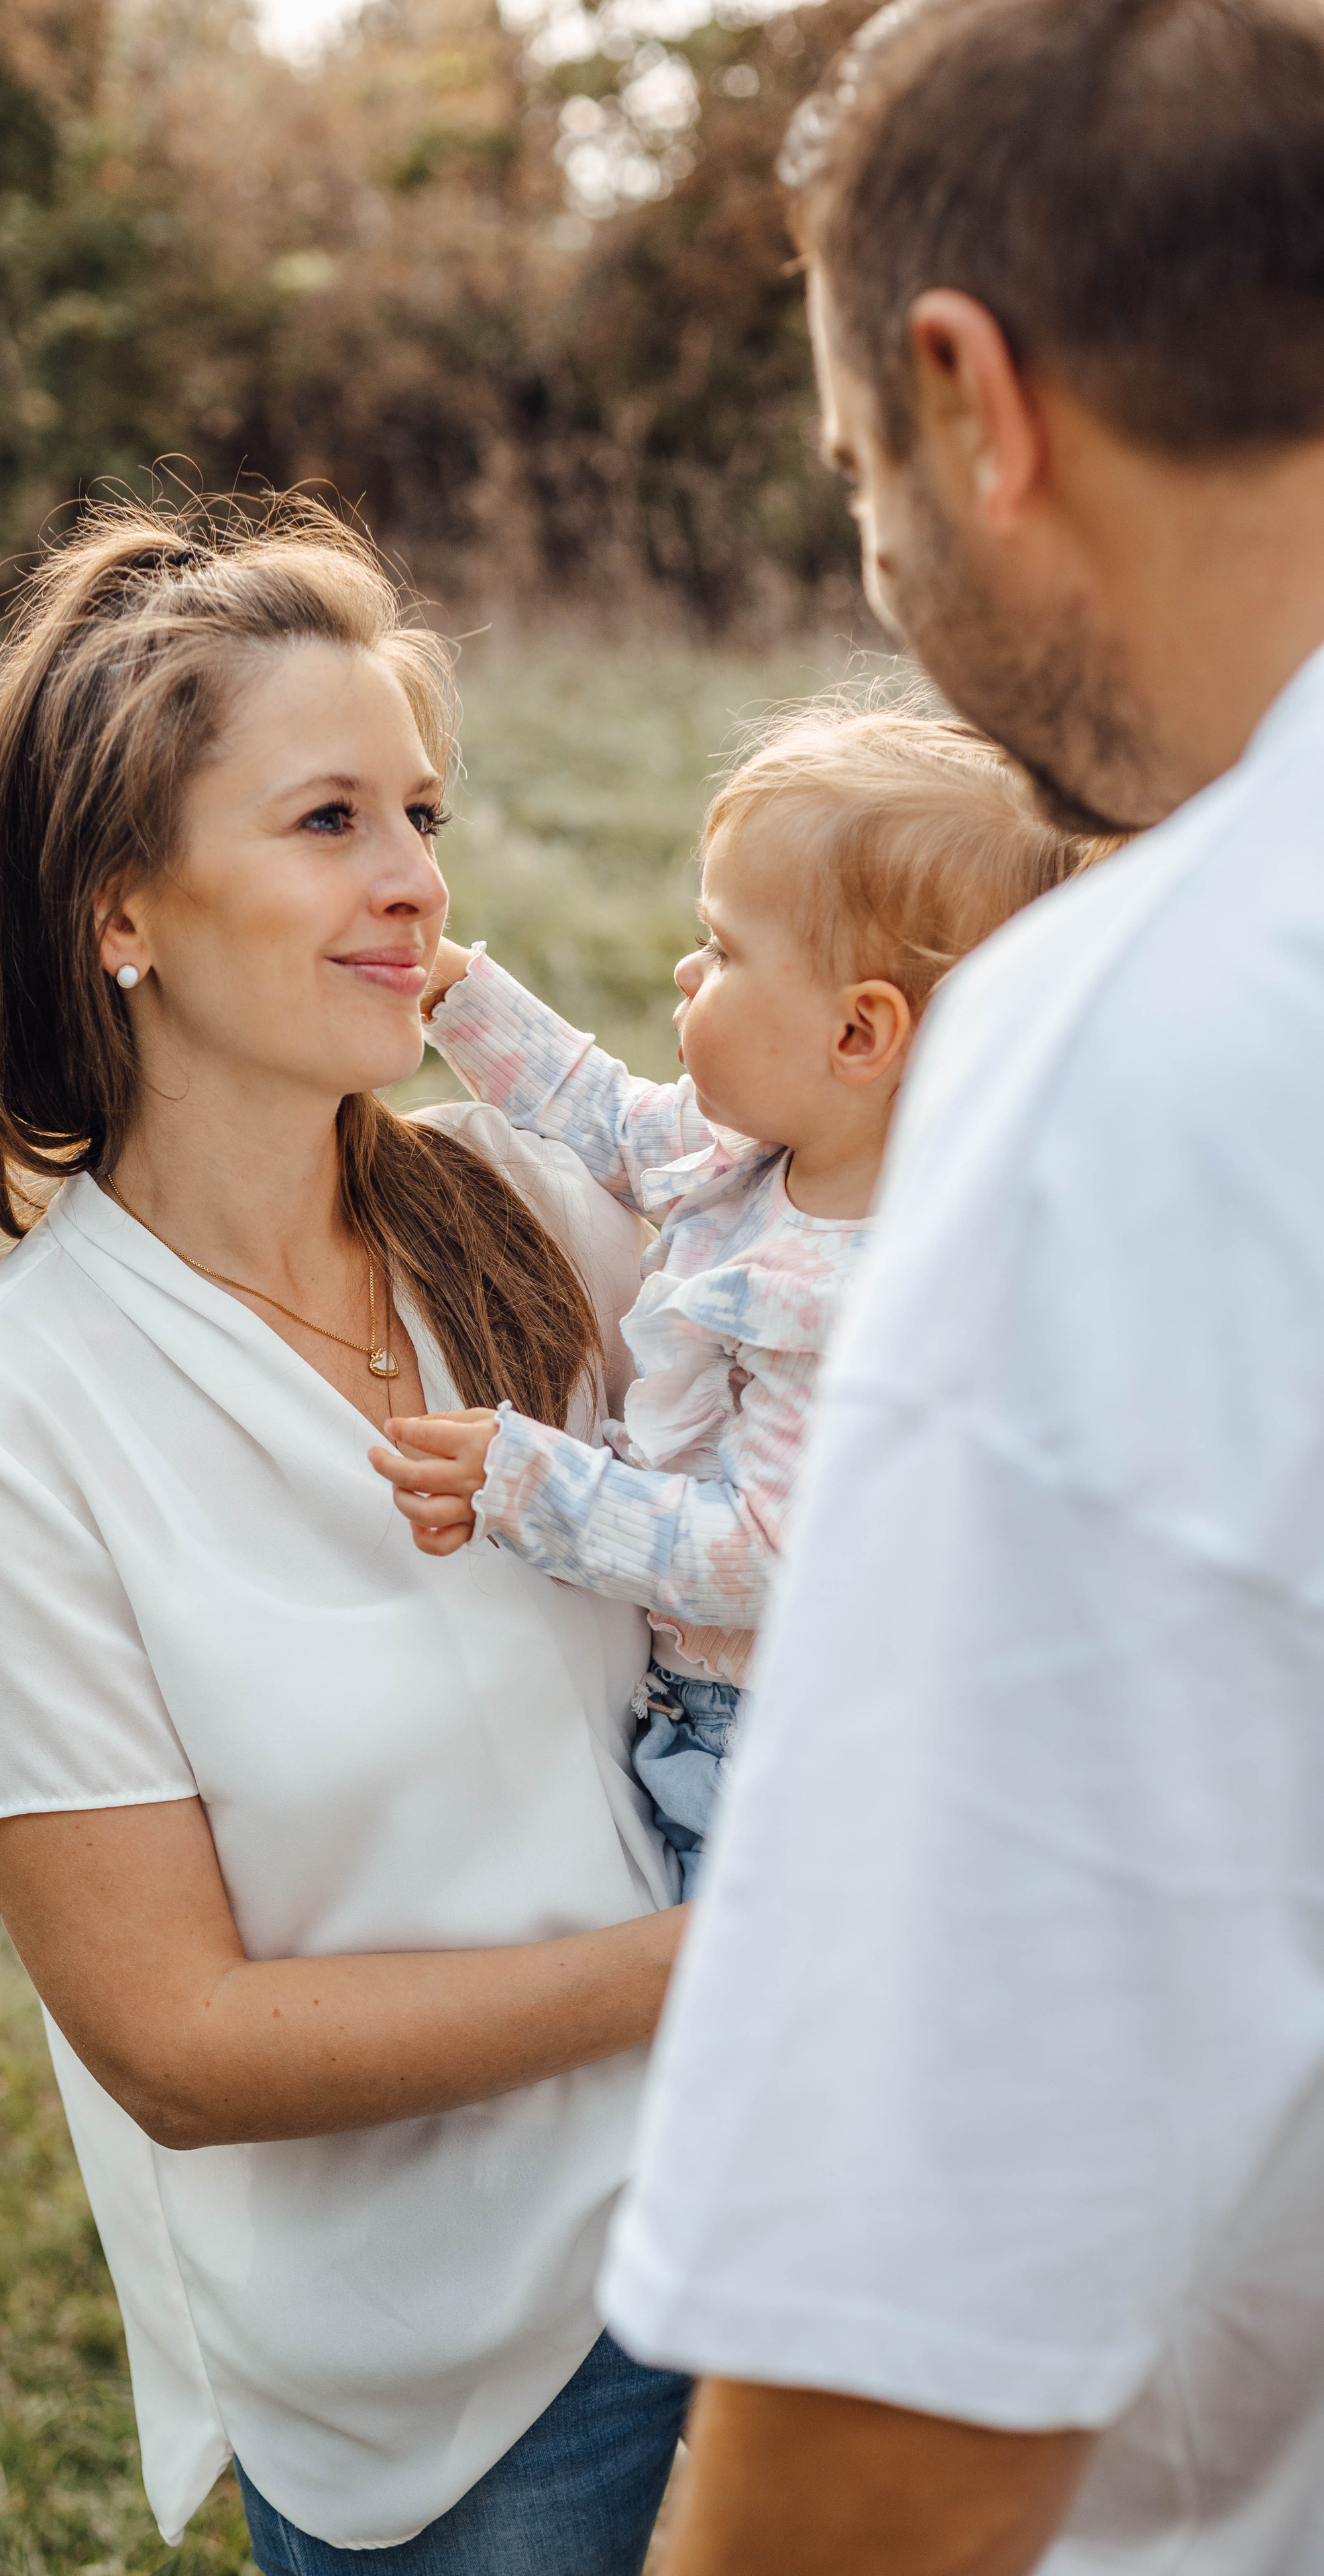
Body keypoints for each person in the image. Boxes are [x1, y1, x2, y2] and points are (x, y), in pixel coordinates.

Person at [597, 2, 1324, 2571]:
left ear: (969, 400)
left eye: (850, 479)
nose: (875, 568)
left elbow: (895, 2380)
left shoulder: (1138, 1055)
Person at [0, 499, 694, 2576]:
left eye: (419, 812)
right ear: (120, 911)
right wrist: (726, 1969)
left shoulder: (539, 1209)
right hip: (468, 2401)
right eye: (328, 821)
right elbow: (181, 2045)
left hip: (759, 2230)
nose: (416, 884)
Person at [371, 711, 1106, 1890]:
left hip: (786, 1768)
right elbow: (606, 1117)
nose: (685, 970)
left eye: (721, 951)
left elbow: (761, 1557)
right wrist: (458, 995)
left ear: (858, 1031)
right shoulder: (766, 1149)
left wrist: (534, 1485)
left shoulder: (855, 1302)